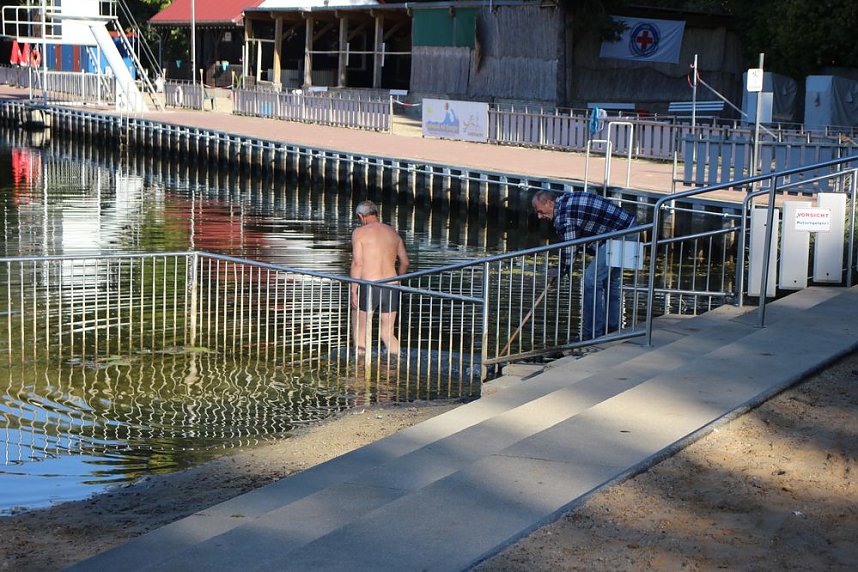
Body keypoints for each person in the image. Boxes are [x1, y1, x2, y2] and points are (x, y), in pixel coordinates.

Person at [531, 189, 636, 340]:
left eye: (539, 211)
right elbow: (580, 238)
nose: (539, 216)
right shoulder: (566, 201)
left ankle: (591, 334)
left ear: (549, 203)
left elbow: (570, 247)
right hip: (630, 227)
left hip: (621, 233)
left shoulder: (563, 216)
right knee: (610, 282)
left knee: (591, 279)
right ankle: (612, 329)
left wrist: (560, 270)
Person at [350, 200, 410, 355]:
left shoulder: (359, 233)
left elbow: (358, 263)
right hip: (392, 286)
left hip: (369, 285)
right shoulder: (393, 233)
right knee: (387, 334)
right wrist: (399, 282)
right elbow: (405, 262)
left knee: (360, 333)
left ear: (361, 216)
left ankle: (360, 373)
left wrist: (354, 291)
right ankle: (398, 367)